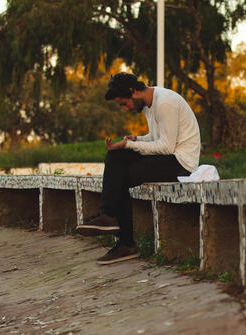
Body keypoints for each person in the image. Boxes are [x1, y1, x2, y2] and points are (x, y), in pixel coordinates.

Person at [77, 72, 201, 265]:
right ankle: (109, 217)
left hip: (181, 163)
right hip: (167, 157)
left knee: (121, 176)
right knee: (115, 156)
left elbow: (167, 147)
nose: (125, 109)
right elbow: (155, 138)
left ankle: (122, 238)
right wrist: (134, 140)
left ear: (133, 91)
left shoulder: (165, 103)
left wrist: (129, 145)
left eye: (124, 104)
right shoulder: (150, 104)